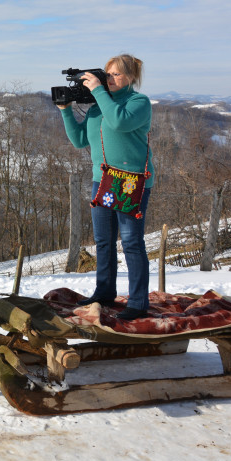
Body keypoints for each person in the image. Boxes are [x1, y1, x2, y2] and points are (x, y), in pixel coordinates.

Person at [56, 54, 155, 320]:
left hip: (132, 181)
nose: (110, 79)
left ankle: (138, 302)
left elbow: (119, 121)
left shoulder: (138, 102)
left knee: (132, 242)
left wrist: (99, 91)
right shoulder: (99, 106)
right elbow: (79, 140)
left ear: (131, 78)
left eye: (116, 75)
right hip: (103, 180)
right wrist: (65, 110)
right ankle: (104, 292)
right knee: (103, 241)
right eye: (107, 74)